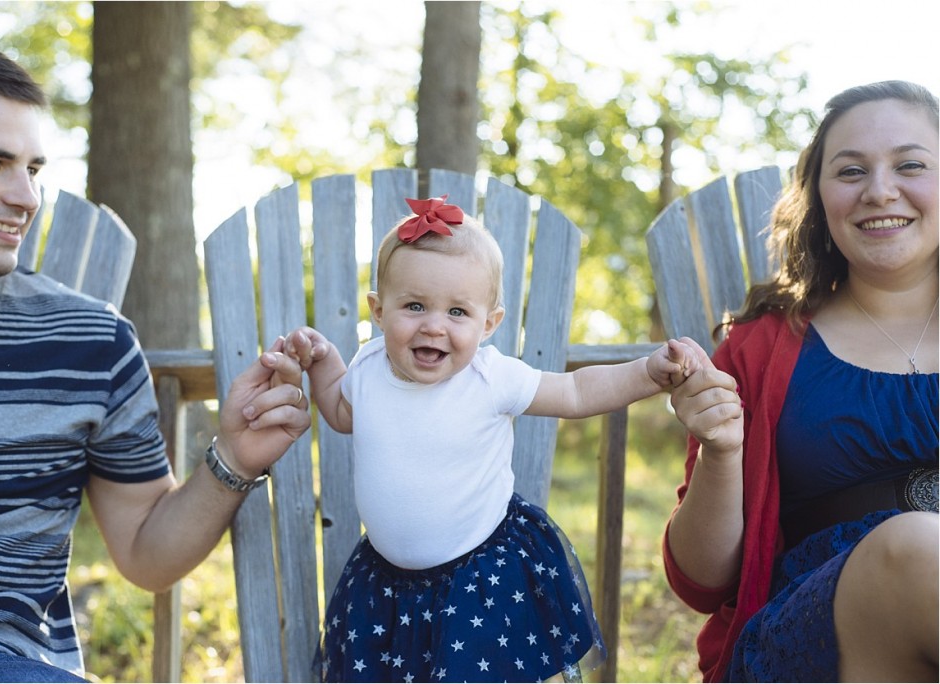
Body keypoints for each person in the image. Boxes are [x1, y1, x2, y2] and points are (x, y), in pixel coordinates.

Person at [0, 39, 310, 682]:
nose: (25, 197)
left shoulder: (89, 343)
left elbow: (145, 555)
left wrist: (232, 459)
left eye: (33, 170)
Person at [281, 194, 700, 682]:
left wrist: (648, 372)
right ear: (378, 310)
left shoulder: (490, 377)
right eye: (414, 305)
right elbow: (339, 410)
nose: (434, 325)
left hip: (476, 583)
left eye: (457, 312)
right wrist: (324, 360)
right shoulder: (370, 367)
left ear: (489, 324)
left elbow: (576, 391)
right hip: (385, 587)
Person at [664, 80, 939, 682]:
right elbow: (702, 581)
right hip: (807, 638)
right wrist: (722, 453)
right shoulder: (760, 349)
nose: (879, 190)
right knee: (918, 548)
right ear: (819, 197)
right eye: (850, 172)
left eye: (911, 164)